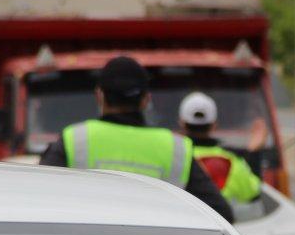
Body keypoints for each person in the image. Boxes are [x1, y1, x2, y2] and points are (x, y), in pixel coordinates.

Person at [39, 56, 233, 222]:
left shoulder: (75, 139)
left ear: (99, 96)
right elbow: (221, 213)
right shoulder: (175, 148)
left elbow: (37, 199)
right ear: (146, 100)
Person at [179, 91, 262, 205]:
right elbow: (253, 192)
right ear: (214, 125)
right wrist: (253, 152)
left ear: (182, 123)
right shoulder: (232, 161)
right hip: (220, 221)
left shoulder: (175, 157)